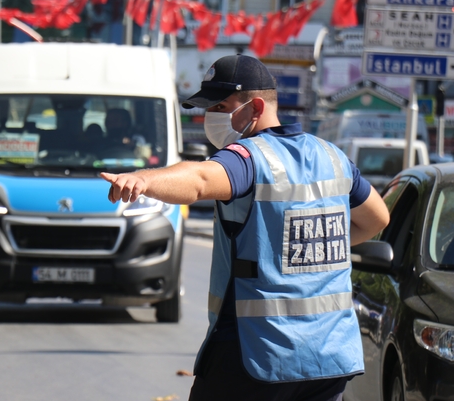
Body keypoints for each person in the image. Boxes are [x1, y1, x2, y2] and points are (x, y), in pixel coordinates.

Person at [101, 55, 390, 401]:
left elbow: (199, 180)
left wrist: (142, 179)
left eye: (221, 105)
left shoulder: (248, 159)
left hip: (256, 354)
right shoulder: (331, 156)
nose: (211, 116)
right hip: (328, 358)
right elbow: (376, 219)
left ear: (255, 107)